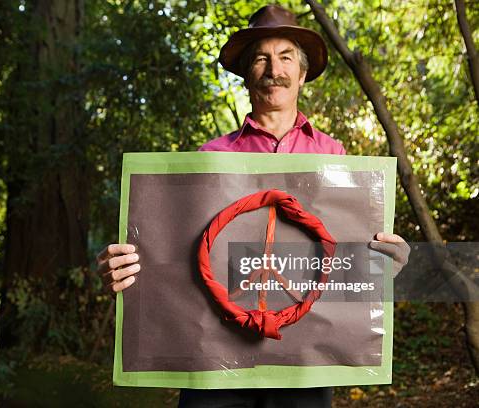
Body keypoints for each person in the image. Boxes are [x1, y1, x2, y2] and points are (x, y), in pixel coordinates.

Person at [97, 4, 410, 407]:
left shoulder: (337, 157)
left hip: (305, 362)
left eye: (284, 58)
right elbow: (178, 259)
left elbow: (342, 260)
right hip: (216, 359)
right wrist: (126, 269)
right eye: (260, 58)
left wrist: (385, 263)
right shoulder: (209, 158)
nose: (273, 68)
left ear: (301, 74)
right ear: (247, 74)